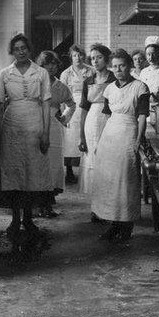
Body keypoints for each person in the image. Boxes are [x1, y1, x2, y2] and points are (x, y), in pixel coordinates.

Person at [0, 34, 52, 254]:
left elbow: (46, 104)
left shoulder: (41, 72)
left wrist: (45, 133)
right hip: (12, 125)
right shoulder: (4, 74)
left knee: (32, 172)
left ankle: (28, 219)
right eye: (17, 48)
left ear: (29, 50)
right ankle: (14, 219)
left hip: (35, 123)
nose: (21, 51)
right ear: (12, 51)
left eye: (24, 48)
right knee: (14, 172)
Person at [91, 49, 150, 241]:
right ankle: (113, 224)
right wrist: (100, 140)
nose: (118, 69)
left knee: (126, 180)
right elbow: (106, 116)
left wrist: (138, 139)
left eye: (122, 65)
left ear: (129, 66)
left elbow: (141, 116)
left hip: (128, 132)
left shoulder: (140, 87)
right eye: (114, 66)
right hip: (110, 135)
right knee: (110, 182)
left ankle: (126, 227)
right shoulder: (109, 89)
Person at [38, 50, 76, 217]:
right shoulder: (34, 83)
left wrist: (63, 117)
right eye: (47, 64)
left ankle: (48, 203)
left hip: (54, 127)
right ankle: (35, 203)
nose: (51, 67)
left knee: (52, 163)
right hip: (35, 124)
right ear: (41, 66)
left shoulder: (60, 86)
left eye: (54, 64)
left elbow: (71, 104)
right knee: (38, 162)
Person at [78, 45, 115, 205]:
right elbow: (84, 109)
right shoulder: (88, 81)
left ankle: (109, 205)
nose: (95, 61)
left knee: (108, 161)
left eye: (99, 57)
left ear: (106, 59)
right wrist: (81, 136)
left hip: (110, 120)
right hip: (91, 122)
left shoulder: (114, 79)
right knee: (92, 160)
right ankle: (96, 206)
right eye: (93, 58)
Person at [59, 45, 93, 184]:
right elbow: (61, 95)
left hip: (87, 106)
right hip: (71, 107)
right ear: (71, 57)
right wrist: (63, 114)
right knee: (70, 140)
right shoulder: (66, 73)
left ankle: (87, 170)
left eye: (79, 55)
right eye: (74, 55)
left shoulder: (90, 71)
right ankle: (69, 171)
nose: (77, 58)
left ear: (83, 56)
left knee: (87, 136)